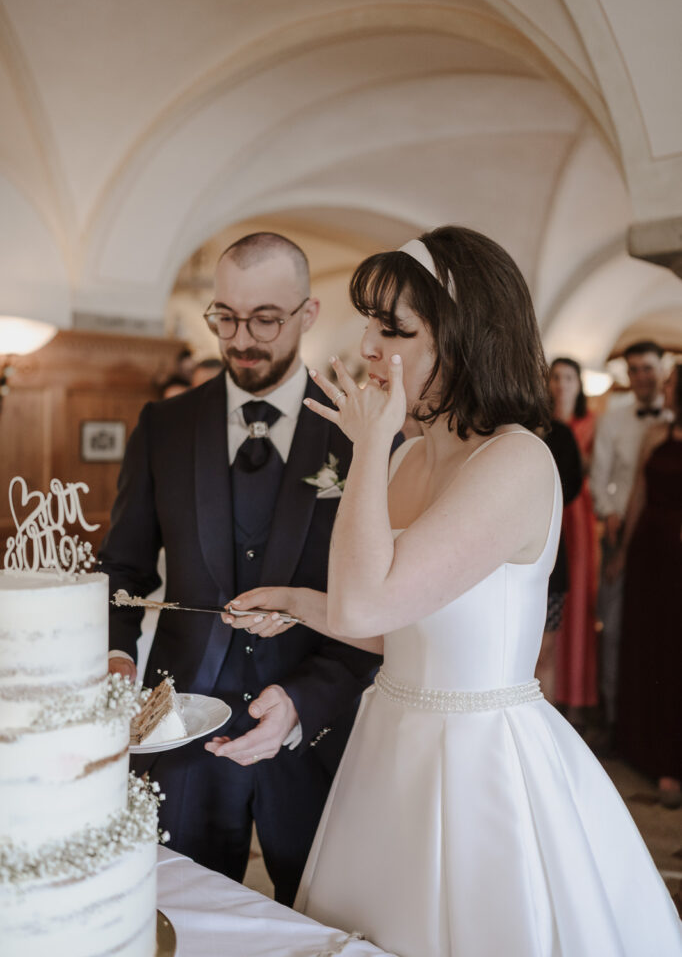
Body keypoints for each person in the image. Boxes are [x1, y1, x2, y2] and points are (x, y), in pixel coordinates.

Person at [224, 228, 682, 956]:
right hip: (391, 741)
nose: (369, 345)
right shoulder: (409, 458)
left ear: (464, 340)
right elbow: (391, 624)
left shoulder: (517, 460)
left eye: (394, 328)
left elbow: (364, 603)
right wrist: (296, 601)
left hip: (477, 756)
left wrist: (366, 448)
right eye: (369, 322)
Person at [99, 232, 379, 905]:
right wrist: (115, 655)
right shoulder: (163, 427)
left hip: (315, 737)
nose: (241, 339)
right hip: (183, 736)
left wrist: (307, 700)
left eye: (265, 319)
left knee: (322, 923)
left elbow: (380, 604)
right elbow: (123, 568)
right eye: (225, 316)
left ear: (308, 315)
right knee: (176, 917)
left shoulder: (361, 436)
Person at [610, 363, 682, 808]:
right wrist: (621, 551)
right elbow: (638, 491)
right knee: (648, 645)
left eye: (673, 382)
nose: (666, 387)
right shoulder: (657, 433)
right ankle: (646, 750)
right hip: (650, 552)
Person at [591, 340, 667, 738]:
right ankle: (613, 718)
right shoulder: (613, 419)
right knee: (615, 627)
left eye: (647, 368)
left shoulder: (674, 419)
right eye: (634, 369)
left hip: (665, 539)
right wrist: (610, 510)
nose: (641, 377)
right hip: (621, 535)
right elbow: (600, 479)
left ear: (663, 367)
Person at [548, 357, 599, 717]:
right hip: (550, 520)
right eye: (555, 377)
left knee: (579, 604)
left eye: (568, 377)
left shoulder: (591, 425)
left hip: (577, 517)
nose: (561, 384)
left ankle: (576, 700)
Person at [535, 418, 583, 704]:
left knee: (545, 650)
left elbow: (571, 485)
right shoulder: (498, 430)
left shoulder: (561, 434)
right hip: (504, 560)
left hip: (551, 557)